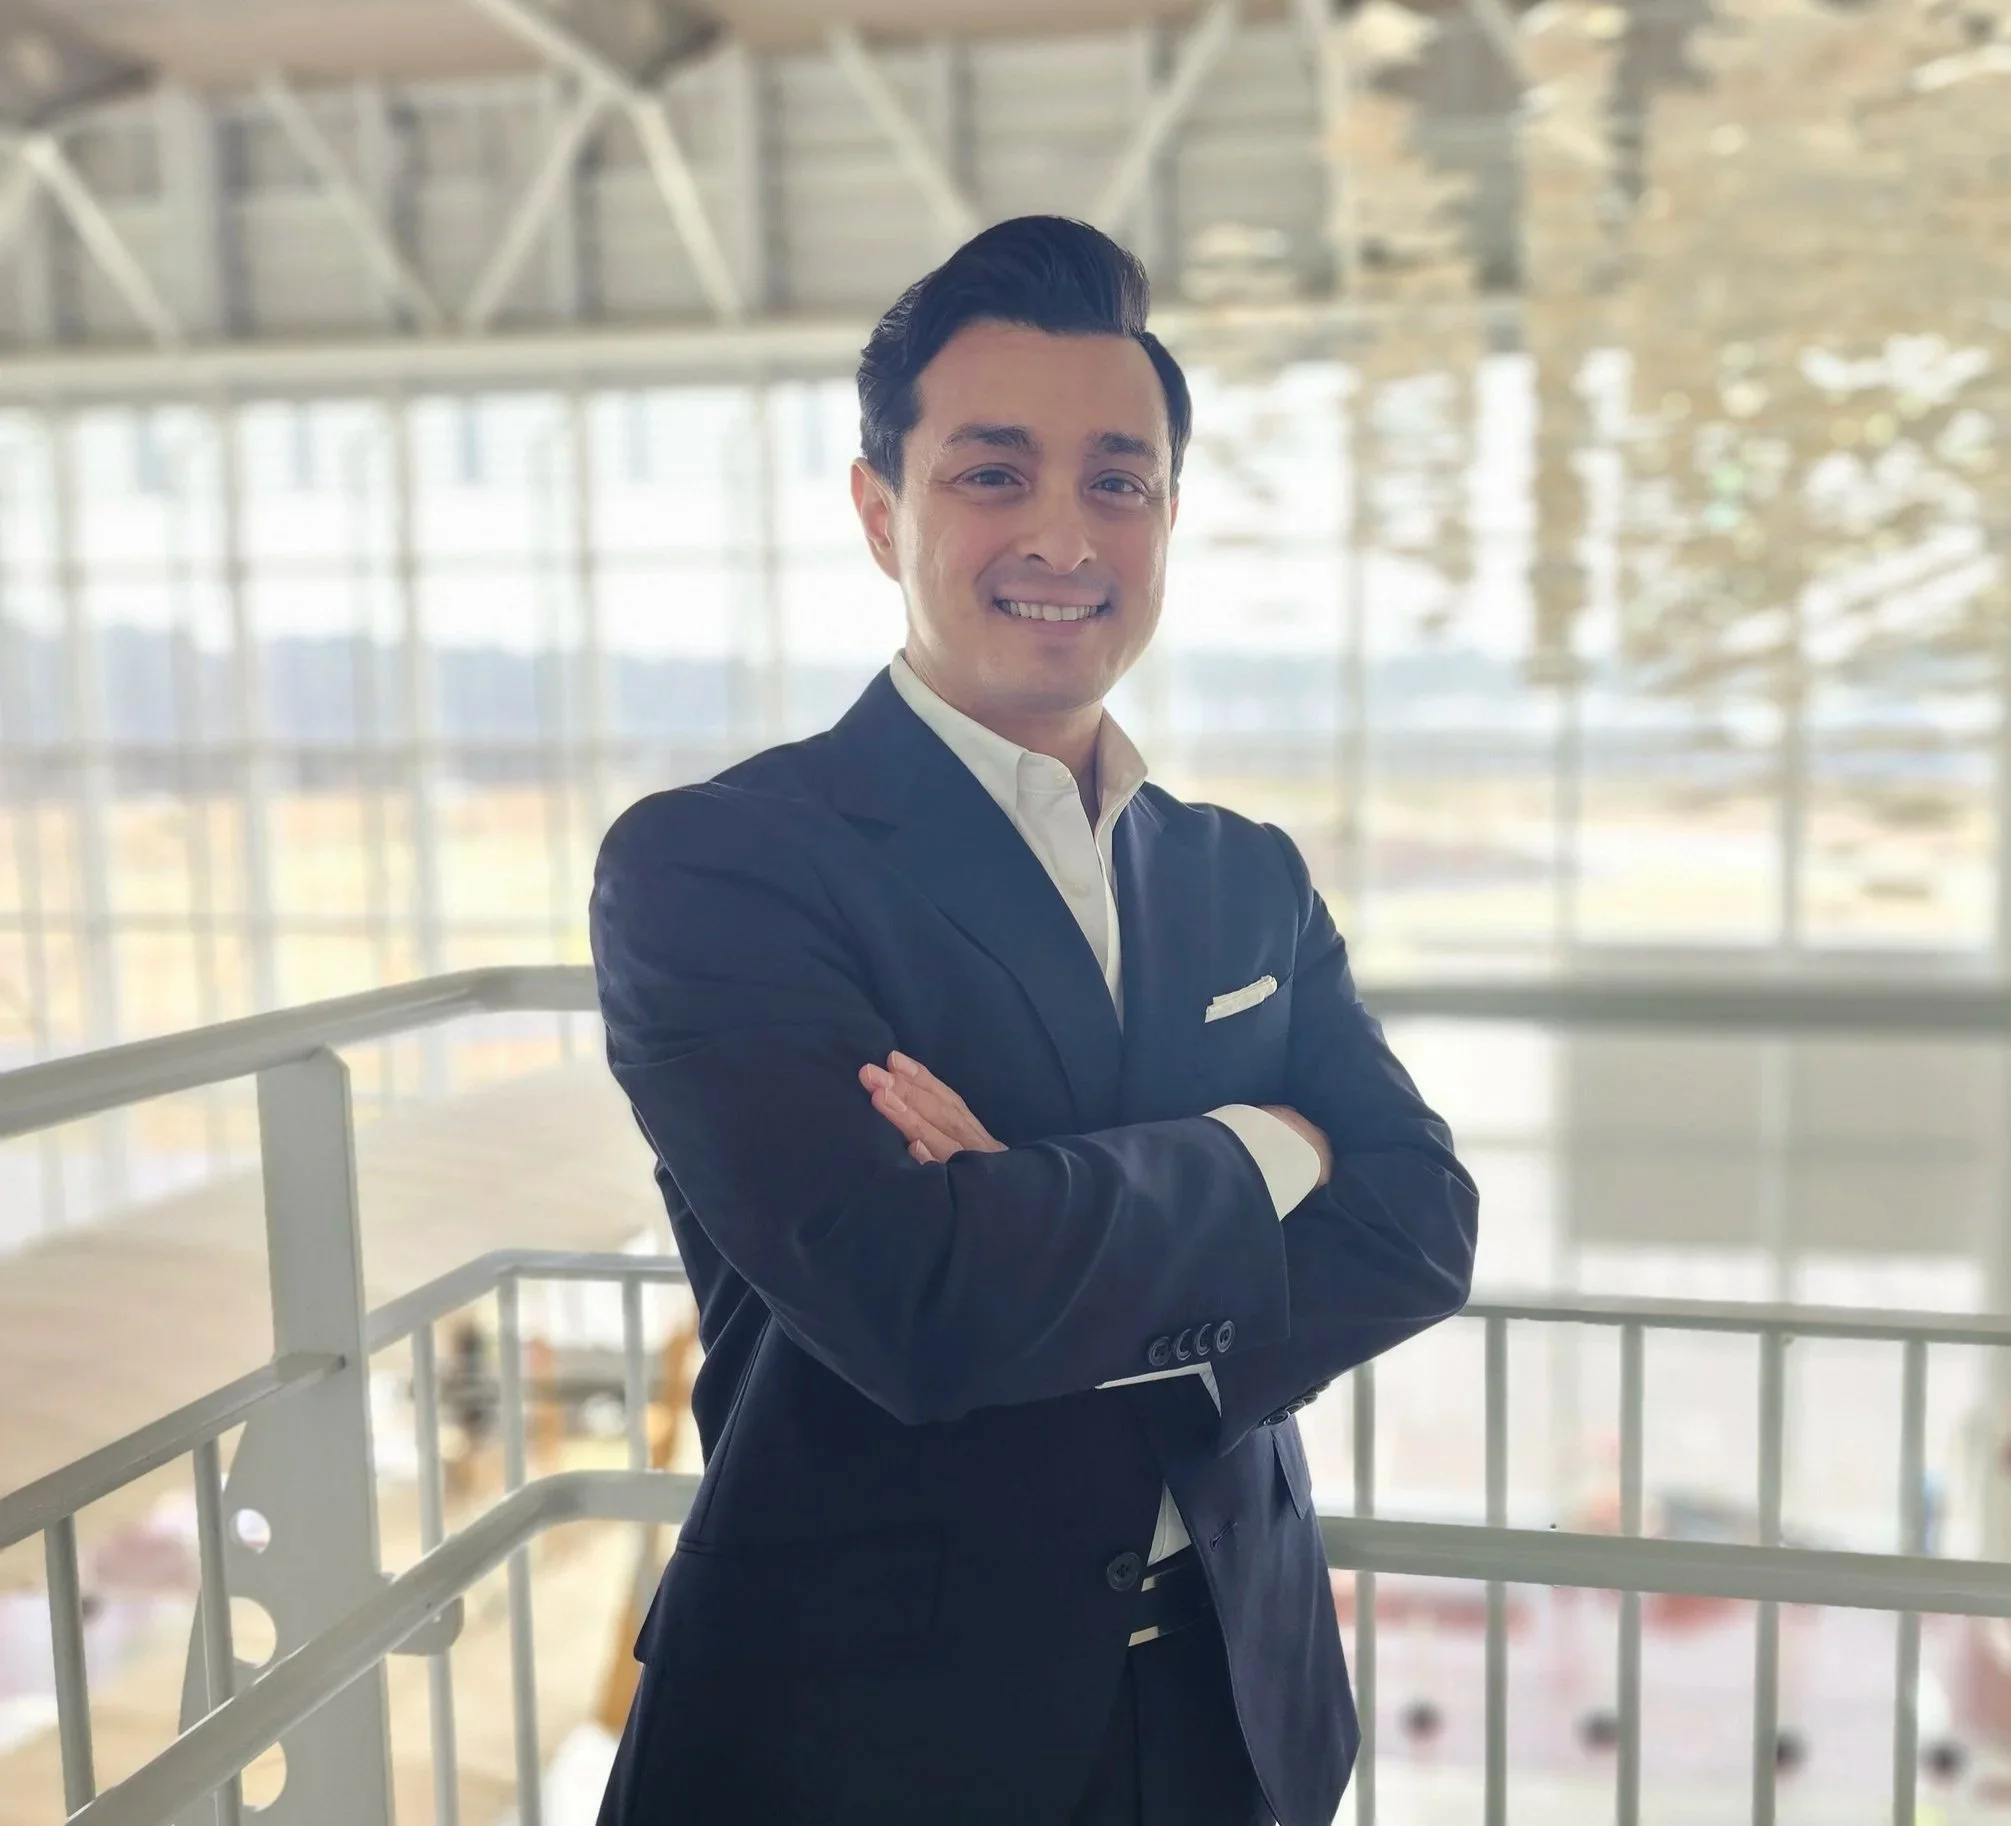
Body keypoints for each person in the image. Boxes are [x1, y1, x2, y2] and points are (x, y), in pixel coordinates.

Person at [589, 215, 1478, 1826]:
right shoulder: (720, 863)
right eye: (993, 473)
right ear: (880, 510)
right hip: (863, 1737)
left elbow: (1420, 1225)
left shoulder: (1241, 877)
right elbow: (913, 1300)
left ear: (1167, 516)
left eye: (1116, 480)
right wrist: (1262, 1145)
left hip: (1232, 1696)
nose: (1063, 535)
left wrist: (1034, 1215)